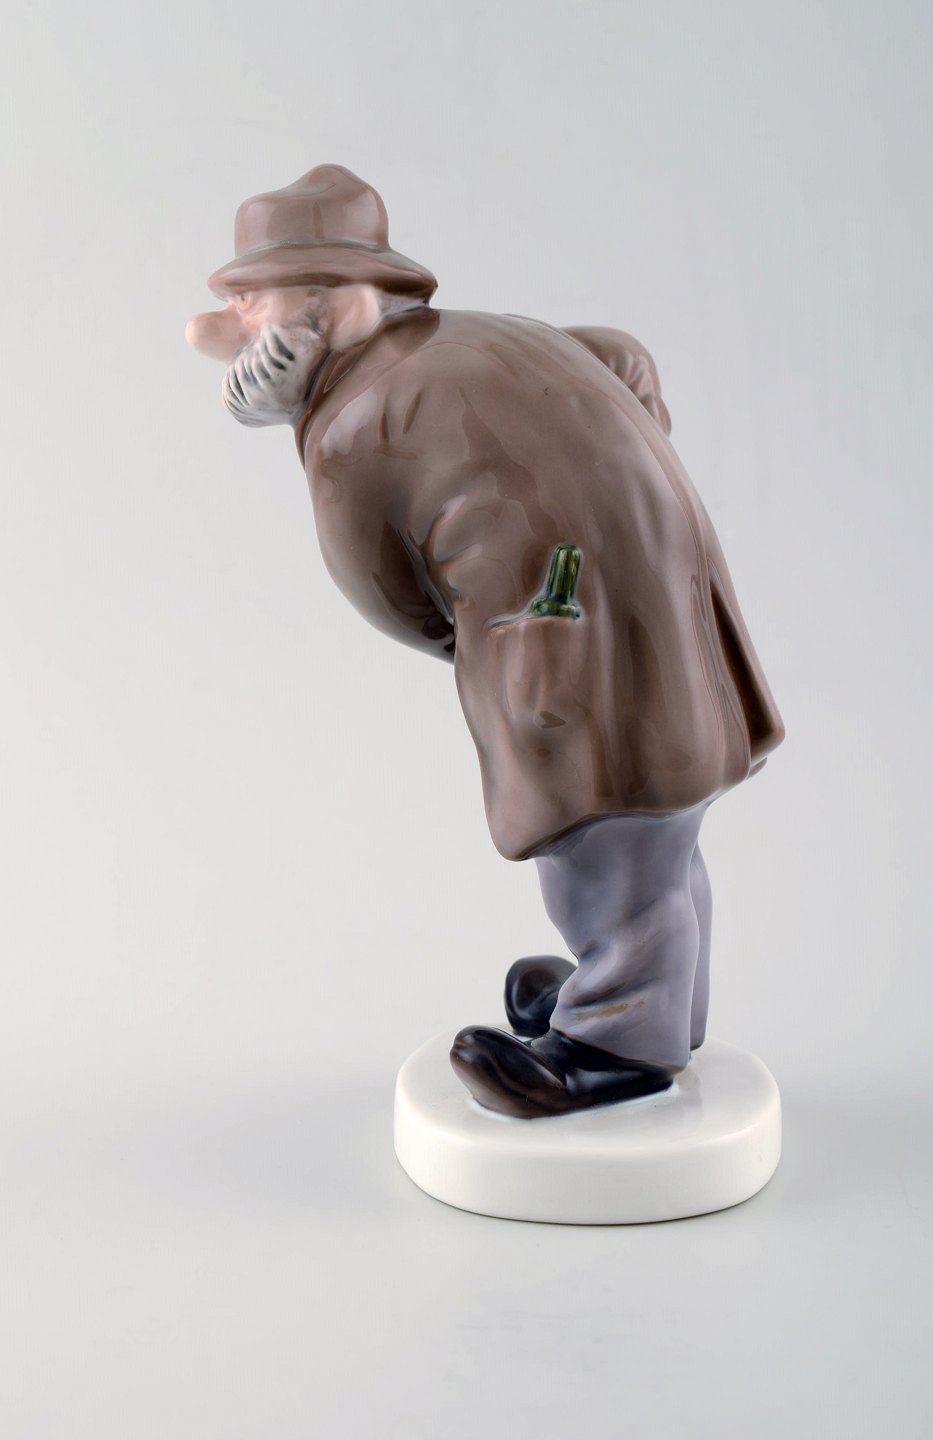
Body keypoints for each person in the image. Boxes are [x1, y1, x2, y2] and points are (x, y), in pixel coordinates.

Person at [187, 164, 784, 1118]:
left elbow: (386, 595)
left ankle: (615, 1040)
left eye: (250, 304)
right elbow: (621, 358)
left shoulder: (351, 425)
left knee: (598, 839)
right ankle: (661, 1000)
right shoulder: (495, 334)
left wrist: (490, 646)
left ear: (322, 310)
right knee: (659, 826)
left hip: (561, 630)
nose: (226, 330)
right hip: (673, 595)